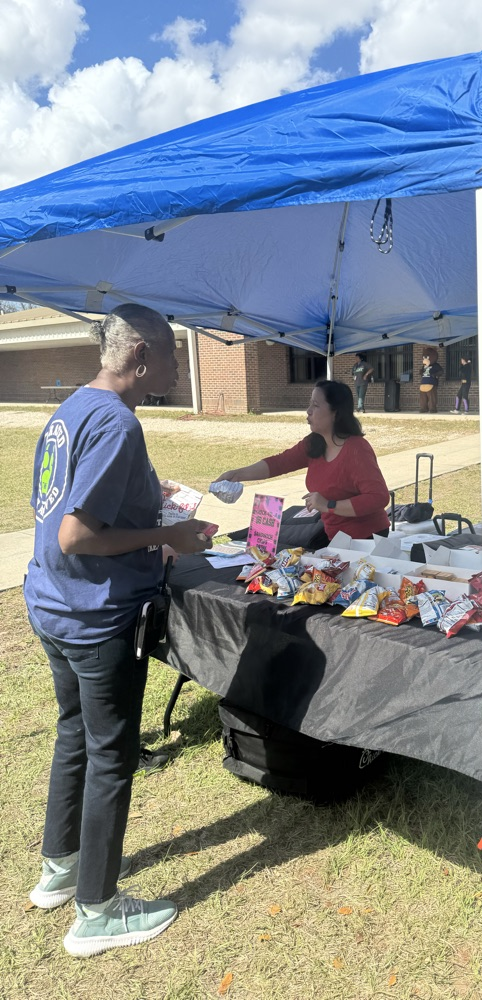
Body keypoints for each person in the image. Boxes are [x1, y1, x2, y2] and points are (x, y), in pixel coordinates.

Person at [25, 303, 214, 957]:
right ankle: (98, 912)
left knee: (74, 737)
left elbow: (58, 508)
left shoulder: (73, 409)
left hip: (53, 607)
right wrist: (170, 535)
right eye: (172, 354)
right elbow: (78, 533)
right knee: (111, 758)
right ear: (142, 356)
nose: (177, 365)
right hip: (95, 617)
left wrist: (145, 501)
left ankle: (59, 872)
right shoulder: (115, 423)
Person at [214, 380, 390, 540]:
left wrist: (329, 505)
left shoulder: (356, 449)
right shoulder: (314, 443)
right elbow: (279, 463)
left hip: (368, 538)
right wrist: (237, 474)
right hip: (336, 536)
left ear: (335, 413)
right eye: (309, 404)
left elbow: (378, 497)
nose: (308, 411)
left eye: (315, 405)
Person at [419, 348, 444, 414]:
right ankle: (424, 408)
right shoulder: (424, 366)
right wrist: (421, 371)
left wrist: (435, 375)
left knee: (432, 397)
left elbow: (441, 372)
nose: (425, 358)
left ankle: (432, 409)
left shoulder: (436, 365)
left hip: (431, 383)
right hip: (423, 383)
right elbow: (421, 372)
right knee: (423, 398)